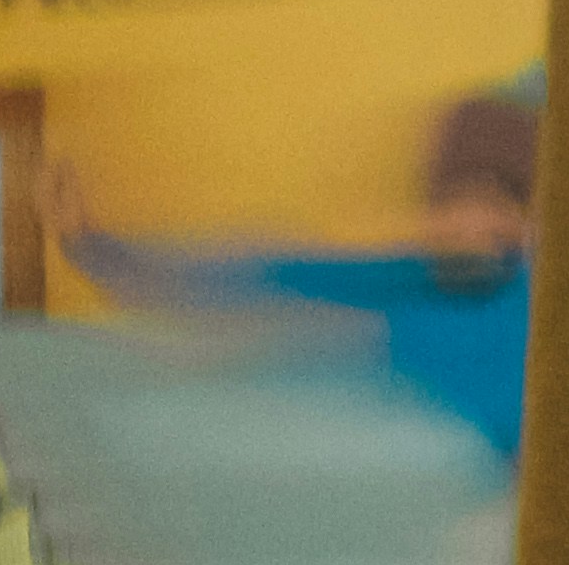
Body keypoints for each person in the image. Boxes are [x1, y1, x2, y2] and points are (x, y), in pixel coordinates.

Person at [47, 87, 543, 463]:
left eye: (490, 204)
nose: (463, 222)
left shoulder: (533, 292)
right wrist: (101, 252)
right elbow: (270, 274)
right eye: (452, 203)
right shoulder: (415, 282)